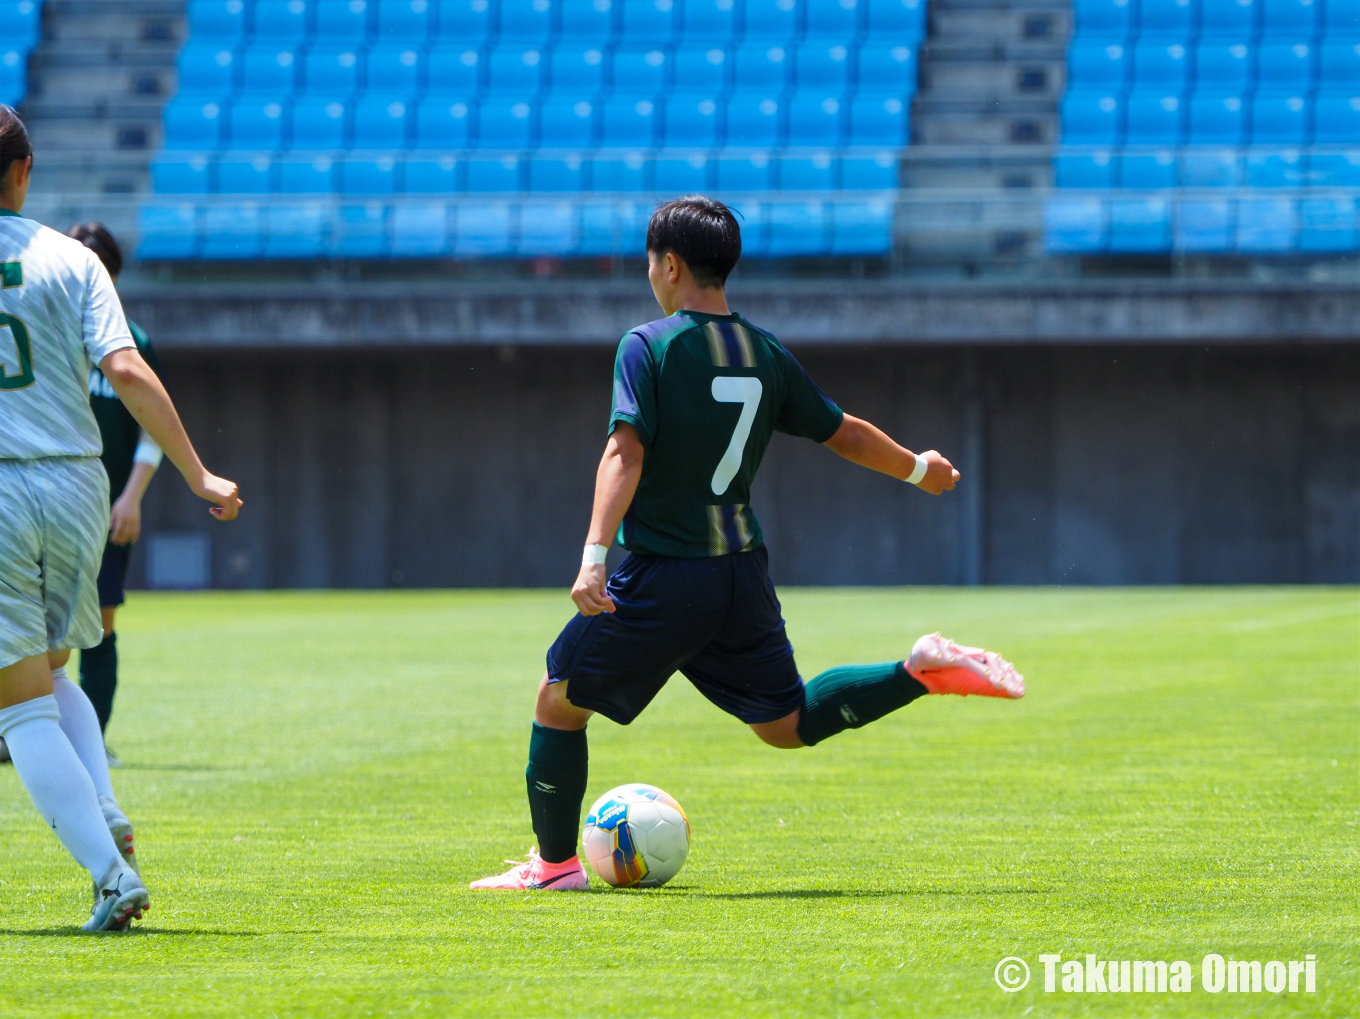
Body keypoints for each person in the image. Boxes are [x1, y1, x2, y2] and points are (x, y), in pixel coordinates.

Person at [471, 196, 1026, 891]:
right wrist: (920, 467)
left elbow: (624, 451)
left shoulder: (650, 344)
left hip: (664, 575)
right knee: (786, 720)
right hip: (739, 573)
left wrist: (592, 555)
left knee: (558, 700)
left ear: (668, 265)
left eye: (649, 261)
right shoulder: (763, 351)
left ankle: (554, 868)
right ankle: (913, 671)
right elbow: (843, 429)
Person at [0, 105, 242, 931]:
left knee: (19, 702)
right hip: (76, 487)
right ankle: (102, 807)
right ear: (24, 171)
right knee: (54, 668)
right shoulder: (72, 259)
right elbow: (127, 369)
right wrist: (199, 471)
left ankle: (110, 873)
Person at [71, 222, 162, 767]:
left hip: (106, 510)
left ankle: (91, 744)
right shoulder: (46, 330)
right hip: (49, 499)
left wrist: (131, 497)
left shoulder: (133, 341)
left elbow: (151, 425)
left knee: (100, 625)